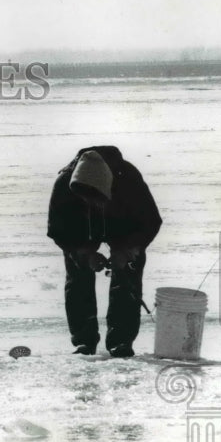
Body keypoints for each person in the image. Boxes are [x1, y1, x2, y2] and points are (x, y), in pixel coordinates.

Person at [47, 146, 161, 358]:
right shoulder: (64, 185)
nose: (91, 203)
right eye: (86, 199)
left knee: (127, 277)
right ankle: (84, 341)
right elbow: (58, 230)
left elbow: (150, 222)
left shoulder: (129, 179)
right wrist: (84, 253)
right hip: (80, 230)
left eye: (96, 199)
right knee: (78, 278)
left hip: (123, 227)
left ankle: (121, 341)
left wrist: (128, 251)